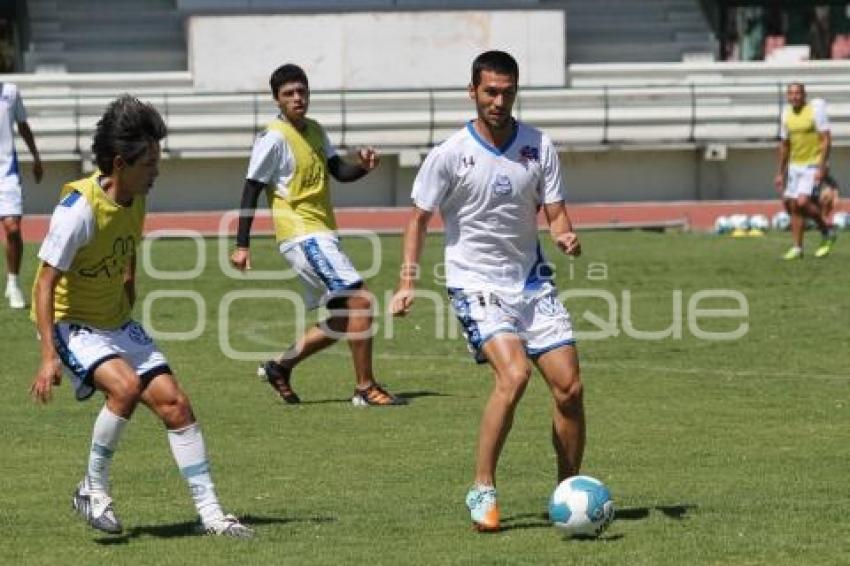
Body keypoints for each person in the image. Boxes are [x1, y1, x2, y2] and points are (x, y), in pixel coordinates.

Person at [29, 95, 252, 538]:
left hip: (116, 323)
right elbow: (43, 283)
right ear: (119, 162)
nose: (157, 170)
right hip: (72, 323)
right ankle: (92, 488)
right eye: (148, 162)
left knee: (176, 404)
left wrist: (129, 282)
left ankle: (211, 516)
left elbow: (127, 244)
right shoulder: (78, 211)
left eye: (157, 159)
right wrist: (48, 357)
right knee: (126, 387)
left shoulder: (135, 196)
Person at [390, 51, 585, 532]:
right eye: (490, 91)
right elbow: (417, 219)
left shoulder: (539, 146)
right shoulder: (450, 153)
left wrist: (564, 234)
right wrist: (407, 280)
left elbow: (555, 211)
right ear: (472, 91)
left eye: (507, 91)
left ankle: (568, 492)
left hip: (531, 281)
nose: (499, 100)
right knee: (514, 376)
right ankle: (482, 486)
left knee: (570, 388)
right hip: (474, 282)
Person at [230, 63, 405, 407]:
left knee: (344, 317)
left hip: (321, 232)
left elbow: (338, 171)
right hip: (302, 234)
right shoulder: (274, 138)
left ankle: (280, 367)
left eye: (302, 91)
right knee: (361, 301)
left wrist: (363, 167)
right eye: (289, 94)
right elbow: (251, 189)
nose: (297, 98)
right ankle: (364, 388)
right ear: (276, 100)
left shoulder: (315, 130)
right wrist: (241, 245)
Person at [774, 83, 837, 259]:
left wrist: (822, 166)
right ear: (787, 96)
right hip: (795, 165)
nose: (794, 96)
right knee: (792, 206)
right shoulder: (786, 115)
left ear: (804, 95)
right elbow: (785, 145)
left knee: (802, 202)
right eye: (791, 94)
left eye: (798, 93)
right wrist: (780, 172)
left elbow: (826, 139)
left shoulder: (814, 111)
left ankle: (827, 231)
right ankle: (797, 248)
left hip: (812, 164)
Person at [1, 80, 43, 308]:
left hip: (6, 172)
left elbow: (23, 126)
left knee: (13, 228)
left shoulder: (10, 91)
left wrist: (36, 158)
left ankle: (13, 283)